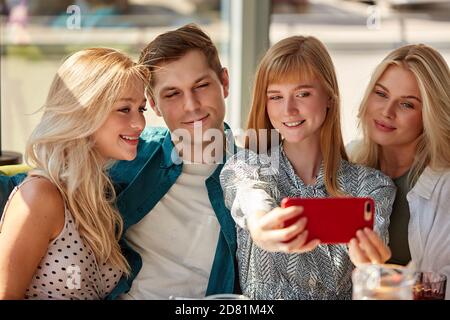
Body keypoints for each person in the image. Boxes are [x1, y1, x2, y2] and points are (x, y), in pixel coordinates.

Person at [219, 35, 396, 300]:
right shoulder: (246, 167)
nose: (288, 109)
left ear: (328, 97)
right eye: (276, 96)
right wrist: (261, 225)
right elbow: (252, 197)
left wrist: (372, 264)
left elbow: (376, 245)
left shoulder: (373, 186)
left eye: (302, 94)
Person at [0, 48, 148, 299]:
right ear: (84, 111)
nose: (140, 123)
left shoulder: (96, 194)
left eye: (141, 109)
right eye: (125, 109)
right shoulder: (40, 196)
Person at [104, 24, 239, 299]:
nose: (191, 105)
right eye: (172, 93)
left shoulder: (253, 172)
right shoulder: (129, 153)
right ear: (153, 104)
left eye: (201, 86)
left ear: (224, 82)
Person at [348, 44, 450, 299]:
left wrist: (381, 275)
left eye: (406, 104)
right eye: (381, 94)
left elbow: (440, 288)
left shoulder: (445, 186)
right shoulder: (347, 160)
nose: (387, 111)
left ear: (429, 115)